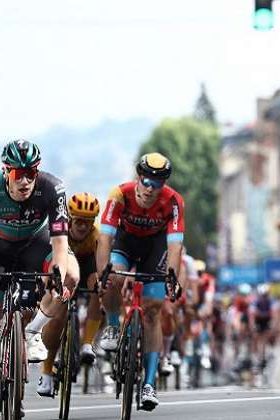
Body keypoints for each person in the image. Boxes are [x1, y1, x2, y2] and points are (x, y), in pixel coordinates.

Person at [0, 140, 79, 420]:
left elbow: (60, 242)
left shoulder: (53, 188)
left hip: (36, 244)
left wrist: (57, 272)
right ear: (6, 172)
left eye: (32, 172)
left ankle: (32, 331)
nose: (26, 180)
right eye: (19, 174)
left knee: (71, 276)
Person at [96, 152, 185, 411]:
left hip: (155, 248)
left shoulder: (174, 201)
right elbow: (104, 240)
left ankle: (148, 384)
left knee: (154, 308)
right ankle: (113, 325)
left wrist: (172, 278)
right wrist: (103, 275)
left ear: (164, 185)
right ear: (138, 178)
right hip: (124, 242)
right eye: (146, 181)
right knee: (112, 277)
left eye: (157, 184)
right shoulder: (119, 195)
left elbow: (175, 246)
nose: (150, 188)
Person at [36, 192, 103, 396]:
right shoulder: (58, 230)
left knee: (97, 288)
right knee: (57, 314)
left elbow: (99, 266)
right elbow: (47, 261)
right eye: (80, 221)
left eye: (88, 222)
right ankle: (46, 373)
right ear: (71, 218)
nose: (83, 226)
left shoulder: (96, 236)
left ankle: (88, 344)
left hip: (86, 265)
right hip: (63, 266)